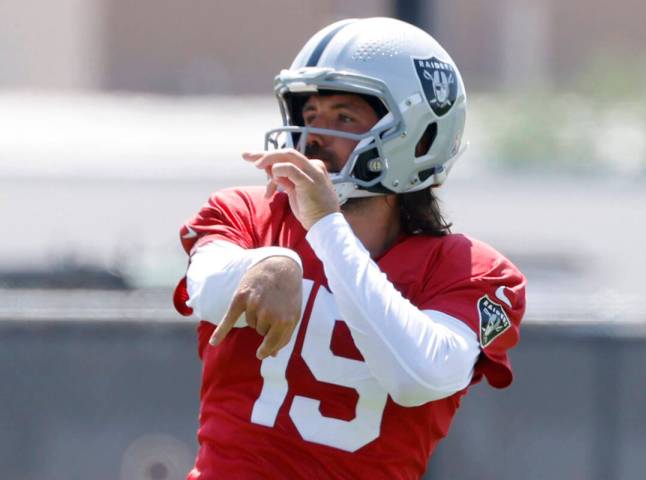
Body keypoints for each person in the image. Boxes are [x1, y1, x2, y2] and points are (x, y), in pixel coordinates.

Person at [173, 17, 526, 480]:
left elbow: (416, 376)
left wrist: (325, 226)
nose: (314, 137)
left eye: (343, 117)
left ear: (419, 137)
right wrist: (269, 261)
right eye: (310, 115)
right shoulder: (247, 214)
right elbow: (208, 288)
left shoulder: (470, 271)